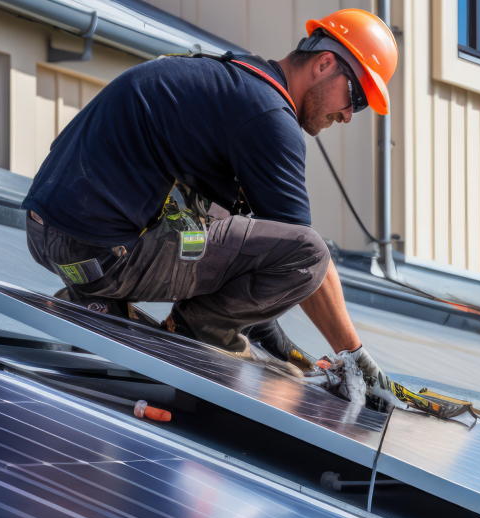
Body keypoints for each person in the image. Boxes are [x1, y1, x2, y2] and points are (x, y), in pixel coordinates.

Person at [21, 9, 399, 392]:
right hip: (106, 251)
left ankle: (98, 300)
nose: (349, 116)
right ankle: (195, 331)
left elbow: (248, 260)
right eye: (356, 97)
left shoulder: (234, 84)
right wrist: (357, 360)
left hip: (51, 236)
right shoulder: (269, 116)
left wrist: (279, 346)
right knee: (311, 254)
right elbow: (301, 261)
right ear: (324, 64)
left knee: (224, 221)